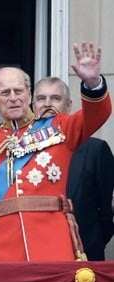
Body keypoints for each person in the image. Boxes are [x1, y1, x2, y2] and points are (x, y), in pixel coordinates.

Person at [0, 42, 111, 261]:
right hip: (3, 247)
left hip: (52, 242)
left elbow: (96, 116)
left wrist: (92, 83)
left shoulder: (59, 127)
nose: (13, 97)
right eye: (5, 92)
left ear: (29, 95)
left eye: (19, 91)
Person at [33, 76, 114, 261]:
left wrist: (91, 242)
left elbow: (107, 213)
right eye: (41, 98)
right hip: (35, 255)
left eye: (55, 98)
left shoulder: (95, 150)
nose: (47, 104)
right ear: (33, 106)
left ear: (68, 105)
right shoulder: (21, 151)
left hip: (82, 256)